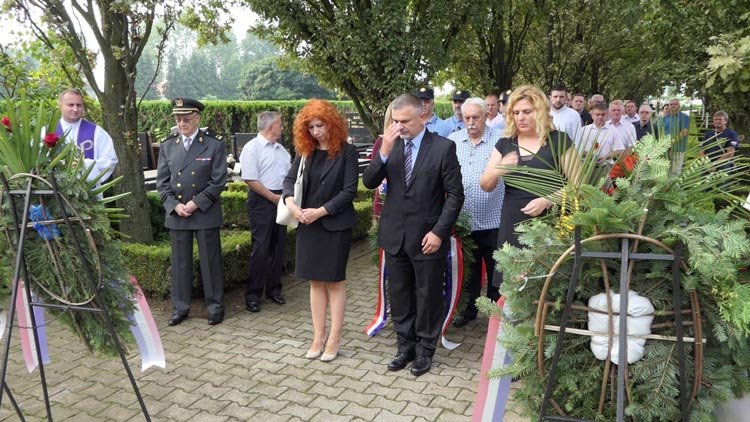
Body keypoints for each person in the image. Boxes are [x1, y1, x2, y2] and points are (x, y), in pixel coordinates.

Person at [362, 93, 464, 376]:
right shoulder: (389, 145)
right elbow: (369, 181)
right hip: (395, 235)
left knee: (428, 295)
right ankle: (404, 346)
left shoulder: (443, 147)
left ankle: (425, 350)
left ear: (422, 116)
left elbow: (455, 195)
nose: (399, 126)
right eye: (395, 121)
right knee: (400, 294)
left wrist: (439, 233)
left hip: (427, 237)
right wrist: (384, 151)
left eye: (405, 121)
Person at [282, 100, 358, 362]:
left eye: (320, 126)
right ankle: (318, 335)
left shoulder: (348, 152)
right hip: (307, 224)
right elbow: (289, 180)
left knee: (335, 282)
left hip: (335, 225)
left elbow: (349, 191)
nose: (316, 132)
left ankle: (335, 337)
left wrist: (322, 211)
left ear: (332, 124)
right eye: (311, 127)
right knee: (315, 282)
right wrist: (291, 204)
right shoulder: (305, 151)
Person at [480, 85, 577, 286]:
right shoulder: (505, 144)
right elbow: (485, 185)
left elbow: (579, 186)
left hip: (550, 225)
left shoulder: (559, 141)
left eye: (527, 112)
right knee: (512, 287)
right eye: (516, 113)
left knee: (547, 287)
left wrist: (548, 200)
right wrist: (499, 168)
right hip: (512, 225)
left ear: (540, 111)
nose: (520, 117)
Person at [156, 98, 228, 326]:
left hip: (204, 212)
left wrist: (196, 203)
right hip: (178, 213)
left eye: (186, 119)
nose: (181, 123)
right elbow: (162, 183)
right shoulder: (168, 145)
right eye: (178, 119)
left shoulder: (214, 144)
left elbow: (219, 181)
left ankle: (215, 308)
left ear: (197, 118)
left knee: (210, 263)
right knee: (180, 264)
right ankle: (180, 308)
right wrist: (174, 205)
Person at [448, 98, 503, 328]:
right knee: (468, 270)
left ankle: (494, 312)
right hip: (464, 221)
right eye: (466, 117)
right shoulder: (453, 141)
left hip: (493, 220)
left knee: (495, 270)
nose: (471, 122)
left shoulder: (500, 141)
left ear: (486, 116)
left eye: (476, 117)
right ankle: (468, 310)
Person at [240, 112, 291, 313]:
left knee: (278, 247)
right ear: (271, 127)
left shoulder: (281, 150)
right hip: (262, 201)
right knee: (261, 249)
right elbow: (250, 179)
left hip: (281, 200)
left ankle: (274, 289)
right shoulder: (252, 148)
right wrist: (272, 197)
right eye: (280, 125)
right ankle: (253, 295)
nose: (283, 128)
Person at [55, 88, 118, 183]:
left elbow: (110, 160)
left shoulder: (97, 132)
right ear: (60, 106)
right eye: (71, 105)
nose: (75, 109)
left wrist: (83, 164)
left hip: (88, 189)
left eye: (79, 105)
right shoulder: (47, 132)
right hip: (54, 189)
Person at [662, 98, 691, 174]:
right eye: (671, 104)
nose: (673, 105)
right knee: (665, 172)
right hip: (665, 149)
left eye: (675, 104)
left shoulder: (684, 117)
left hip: (678, 149)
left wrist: (671, 143)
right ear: (669, 106)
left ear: (679, 106)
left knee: (675, 172)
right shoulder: (665, 118)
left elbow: (684, 132)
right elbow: (662, 131)